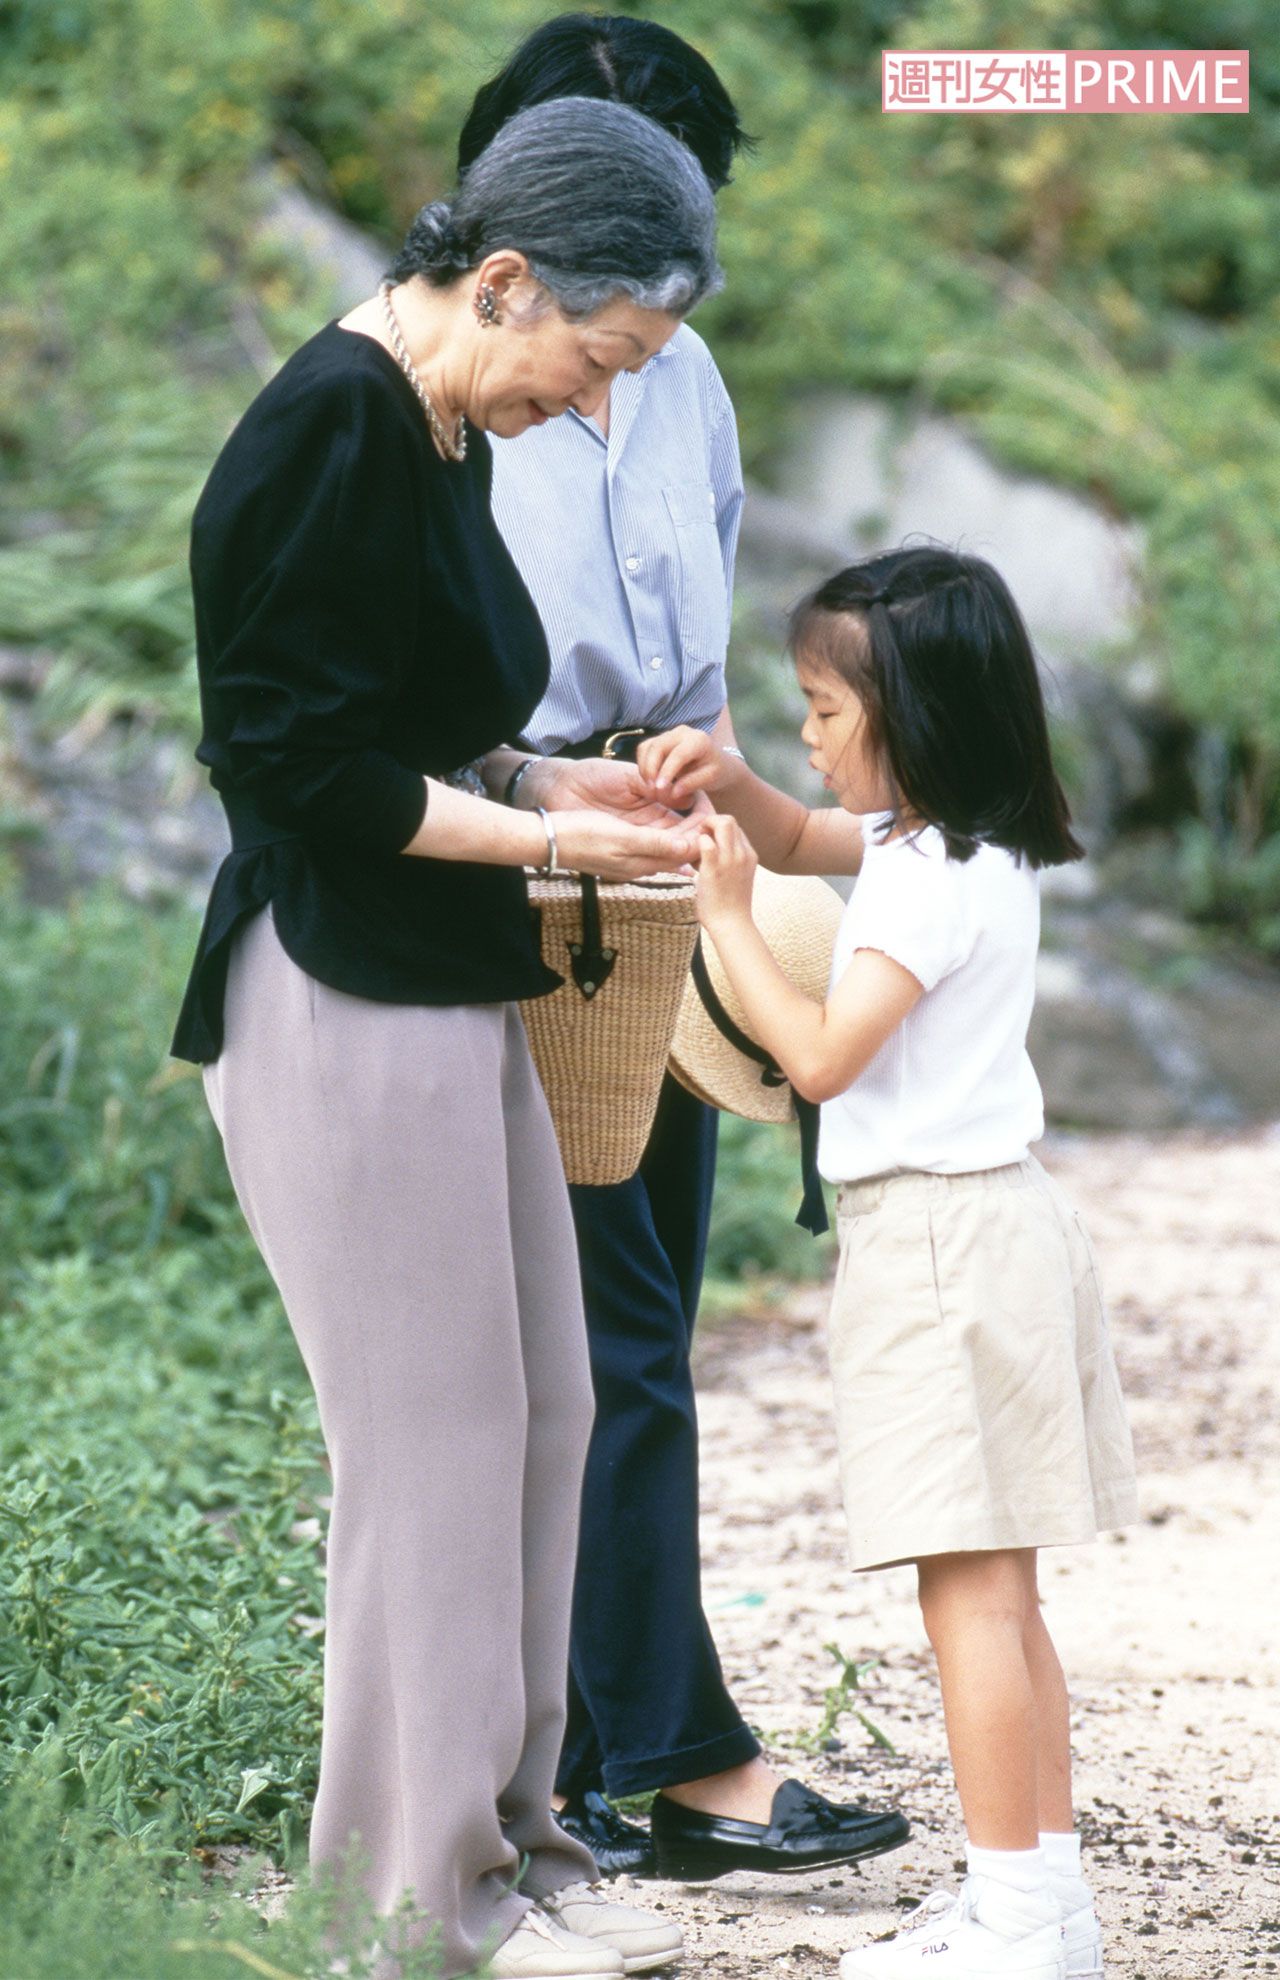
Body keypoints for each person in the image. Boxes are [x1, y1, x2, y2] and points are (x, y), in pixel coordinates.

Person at [170, 97, 726, 1980]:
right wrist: (549, 833)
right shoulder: (324, 426)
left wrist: (557, 781)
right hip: (334, 984)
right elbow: (302, 767)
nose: (589, 405)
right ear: (502, 281)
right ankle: (413, 1910)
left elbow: (424, 726)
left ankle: (522, 1840)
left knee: (547, 1412)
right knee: (425, 1451)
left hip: (447, 967)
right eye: (596, 358)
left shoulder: (437, 427)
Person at [457, 12, 911, 1884]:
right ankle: (656, 1761)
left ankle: (615, 1748)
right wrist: (543, 794)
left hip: (662, 846)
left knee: (624, 1312)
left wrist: (729, 803)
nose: (656, 269)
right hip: (511, 846)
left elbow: (700, 604)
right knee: (588, 1329)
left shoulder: (688, 371)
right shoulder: (446, 370)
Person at [637, 546, 1139, 1980]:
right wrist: (731, 793)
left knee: (965, 1597)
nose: (805, 734)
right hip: (1003, 1226)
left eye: (823, 709)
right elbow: (803, 836)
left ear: (911, 714)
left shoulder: (922, 882)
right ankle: (1044, 1906)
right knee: (1007, 1591)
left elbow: (818, 1058)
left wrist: (725, 920)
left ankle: (1015, 1922)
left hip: (931, 1243)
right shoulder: (967, 845)